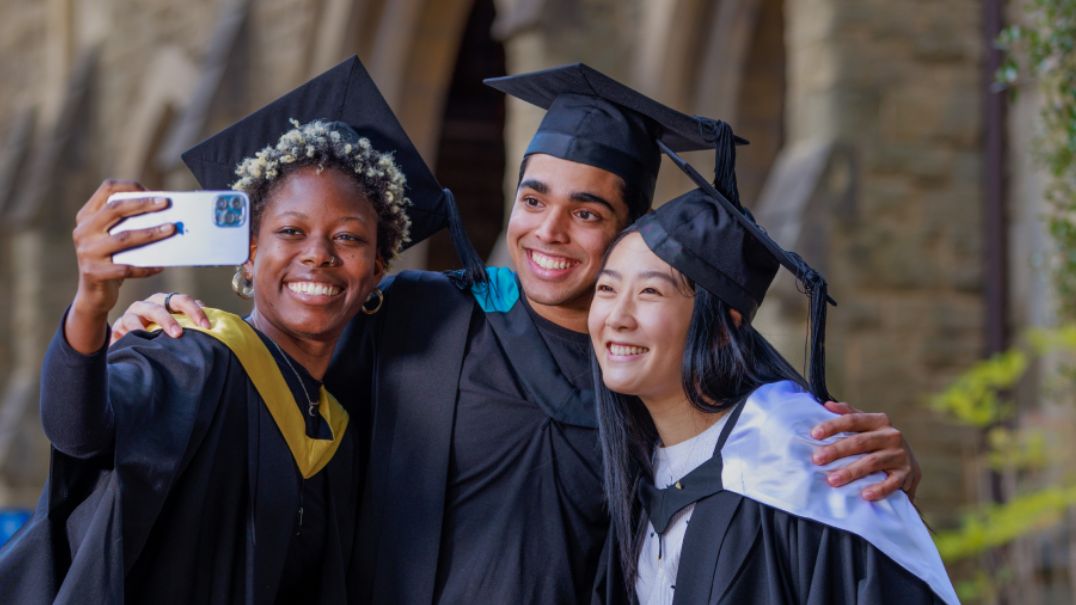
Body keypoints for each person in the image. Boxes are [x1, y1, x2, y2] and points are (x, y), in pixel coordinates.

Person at [118, 63, 922, 603]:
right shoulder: (415, 315)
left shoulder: (667, 367)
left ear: (632, 232)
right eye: (534, 198)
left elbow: (790, 473)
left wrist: (882, 471)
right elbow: (286, 379)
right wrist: (180, 332)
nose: (550, 231)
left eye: (589, 212)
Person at [0, 56, 474, 604]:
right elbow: (79, 430)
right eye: (290, 231)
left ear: (375, 272)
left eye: (348, 238)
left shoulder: (338, 427)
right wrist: (91, 305)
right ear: (249, 256)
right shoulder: (195, 357)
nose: (317, 255)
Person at [588, 126, 958, 604]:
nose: (618, 317)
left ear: (724, 325)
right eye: (607, 288)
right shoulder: (639, 470)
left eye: (650, 292)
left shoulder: (801, 462)